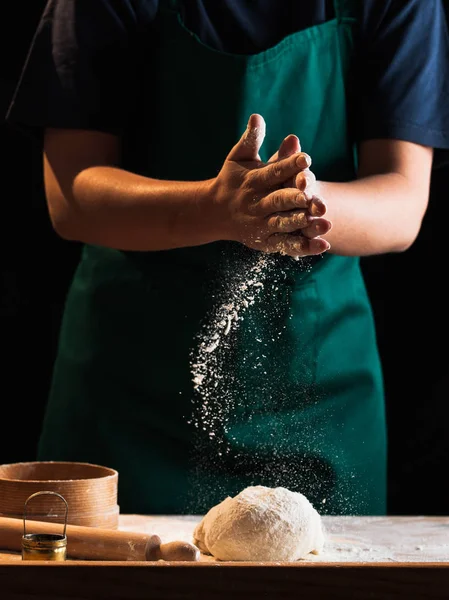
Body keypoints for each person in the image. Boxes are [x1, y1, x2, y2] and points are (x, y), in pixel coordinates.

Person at [6, 0, 449, 516]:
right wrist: (216, 210)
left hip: (317, 391)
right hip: (132, 390)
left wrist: (291, 206)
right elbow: (71, 196)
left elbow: (402, 203)